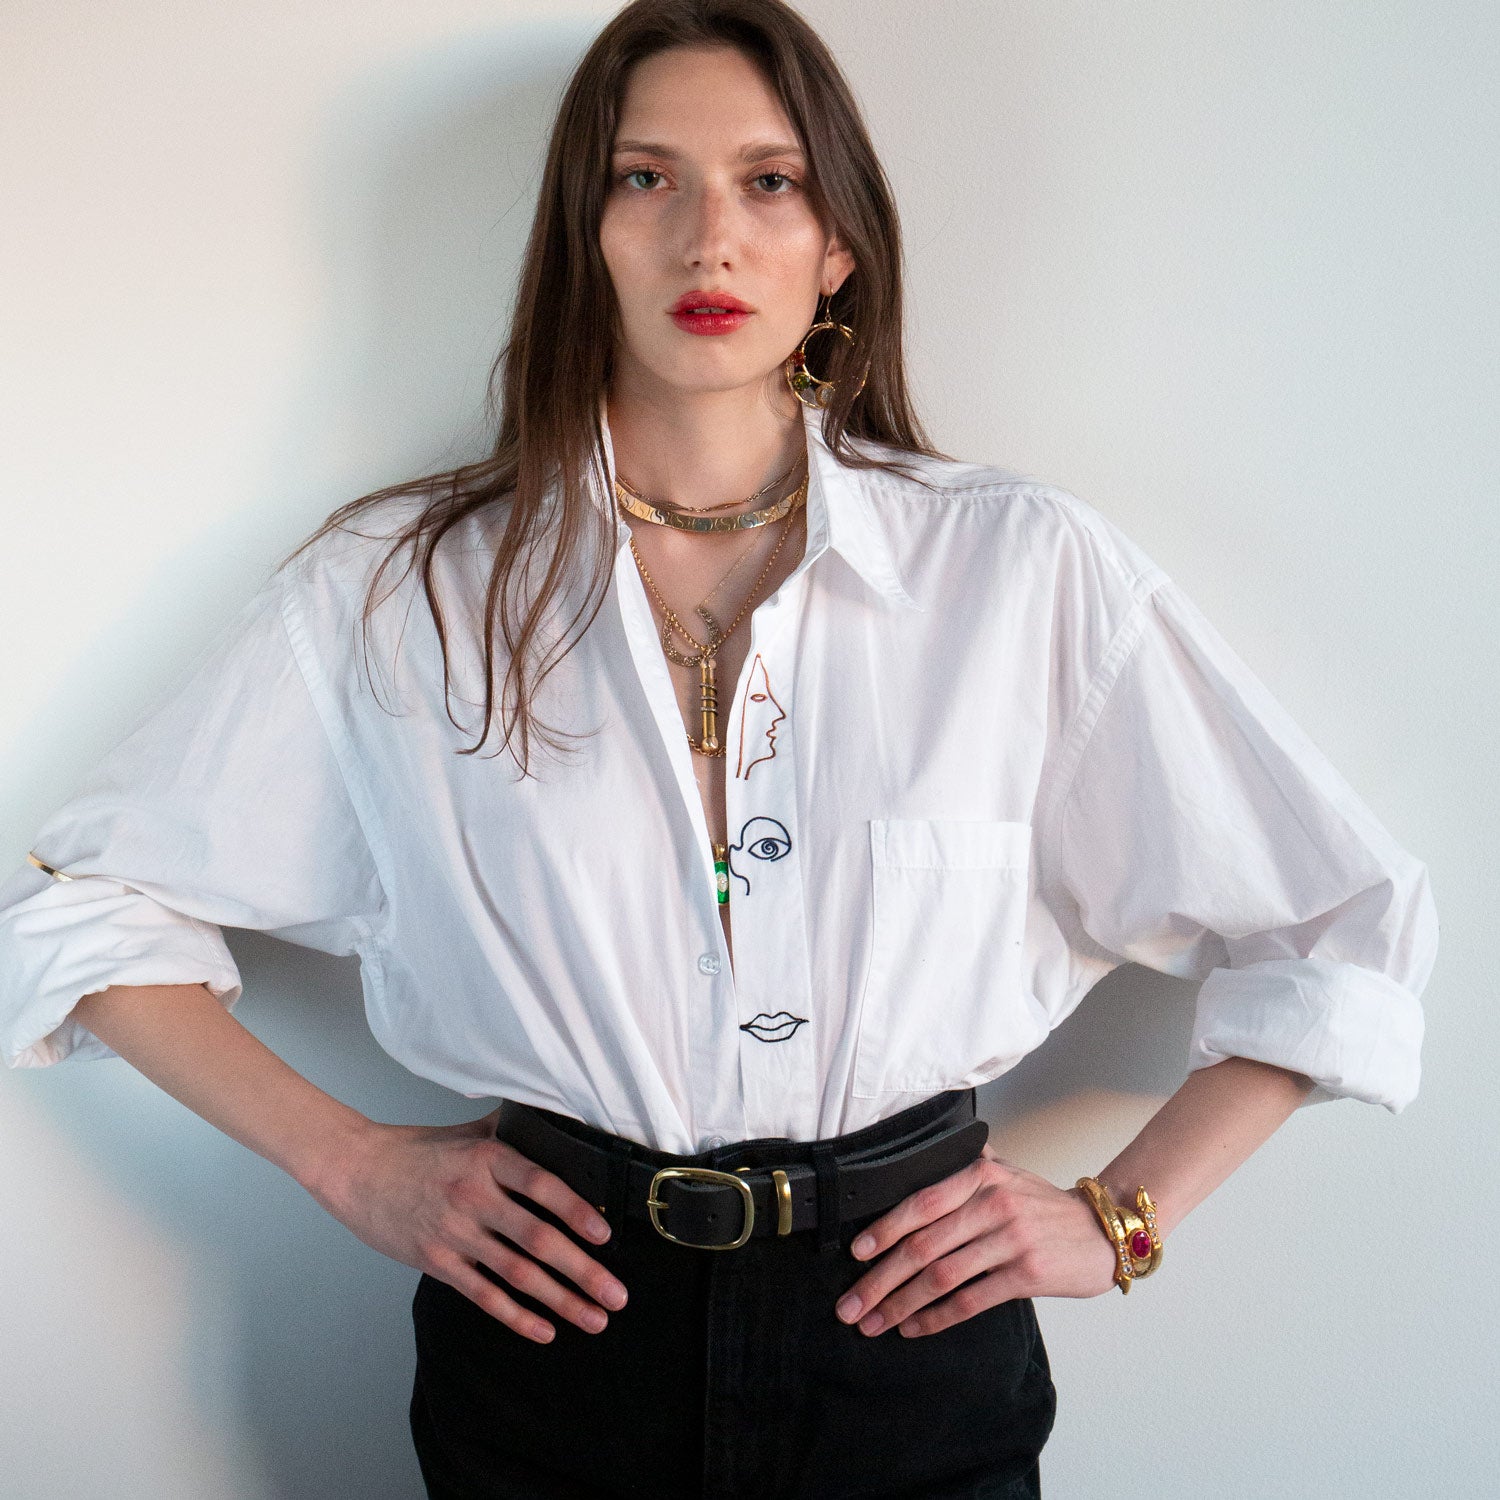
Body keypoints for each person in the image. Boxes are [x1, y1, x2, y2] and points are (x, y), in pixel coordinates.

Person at [0, 2, 1438, 1497]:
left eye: (770, 182)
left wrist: (1121, 1218)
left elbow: (1341, 921)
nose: (709, 240)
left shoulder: (1017, 574)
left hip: (909, 1338)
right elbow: (84, 909)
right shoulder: (398, 593)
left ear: (839, 245)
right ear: (585, 234)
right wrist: (350, 1162)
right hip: (551, 1340)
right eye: (647, 179)